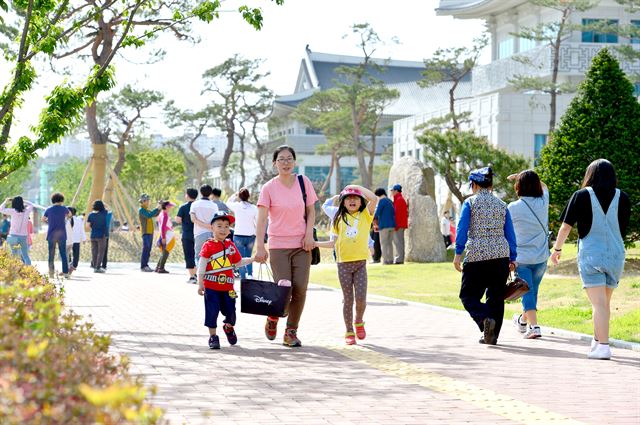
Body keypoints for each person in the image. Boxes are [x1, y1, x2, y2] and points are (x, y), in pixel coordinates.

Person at [551, 159, 631, 360]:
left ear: (590, 175)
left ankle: (603, 346)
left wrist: (557, 249)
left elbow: (566, 227)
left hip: (591, 255)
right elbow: (622, 228)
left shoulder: (580, 195)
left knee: (599, 304)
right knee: (604, 303)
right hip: (615, 256)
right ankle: (597, 341)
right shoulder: (624, 197)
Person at [255, 145, 318, 348]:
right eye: (281, 159)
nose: (285, 163)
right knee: (284, 288)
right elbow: (262, 219)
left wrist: (309, 235)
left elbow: (311, 211)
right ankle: (273, 317)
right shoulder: (268, 188)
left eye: (289, 159)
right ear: (275, 163)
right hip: (278, 246)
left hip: (302, 245)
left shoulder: (303, 182)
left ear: (295, 161)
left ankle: (291, 332)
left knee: (300, 289)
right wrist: (260, 247)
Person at [454, 167, 517, 345]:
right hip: (500, 255)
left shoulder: (470, 203)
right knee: (496, 297)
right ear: (490, 184)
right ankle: (492, 335)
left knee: (467, 295)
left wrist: (458, 254)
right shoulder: (502, 205)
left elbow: (462, 229)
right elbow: (510, 233)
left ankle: (484, 321)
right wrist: (513, 257)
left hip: (476, 255)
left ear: (473, 184)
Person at [315, 185, 378, 345]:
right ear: (342, 202)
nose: (352, 200)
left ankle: (359, 321)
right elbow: (334, 243)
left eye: (355, 198)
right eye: (348, 198)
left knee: (361, 299)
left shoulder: (365, 215)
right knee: (348, 299)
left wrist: (355, 187)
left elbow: (374, 198)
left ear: (360, 202)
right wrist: (315, 243)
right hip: (343, 264)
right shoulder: (338, 219)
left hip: (360, 264)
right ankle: (349, 331)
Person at [197, 212, 253, 350]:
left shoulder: (230, 245)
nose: (223, 229)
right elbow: (202, 265)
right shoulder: (208, 245)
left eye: (226, 226)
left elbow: (239, 262)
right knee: (212, 311)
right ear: (212, 228)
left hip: (228, 288)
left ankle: (228, 327)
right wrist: (200, 283)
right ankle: (213, 337)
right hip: (211, 287)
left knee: (231, 311)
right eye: (219, 226)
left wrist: (253, 259)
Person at [507, 170, 550, 339]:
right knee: (531, 291)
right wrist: (523, 176)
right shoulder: (544, 200)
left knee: (528, 292)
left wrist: (518, 177)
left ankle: (534, 327)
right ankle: (522, 321)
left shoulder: (513, 208)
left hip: (522, 258)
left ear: (518, 187)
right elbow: (544, 186)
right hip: (541, 257)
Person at [227, 188, 258, 279]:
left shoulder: (236, 206)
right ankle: (250, 274)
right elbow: (257, 222)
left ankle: (243, 276)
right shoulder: (254, 208)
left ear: (239, 196)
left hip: (239, 234)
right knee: (248, 255)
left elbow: (228, 202)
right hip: (251, 235)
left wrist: (234, 195)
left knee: (239, 257)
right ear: (249, 196)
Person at [43, 193, 71, 278]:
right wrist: (65, 218)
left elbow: (43, 219)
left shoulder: (48, 209)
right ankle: (66, 273)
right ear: (61, 200)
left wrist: (49, 222)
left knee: (51, 254)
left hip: (51, 234)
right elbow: (70, 215)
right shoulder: (64, 208)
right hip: (62, 235)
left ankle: (51, 273)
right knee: (63, 254)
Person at [0, 196, 35, 265]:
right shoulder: (26, 211)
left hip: (13, 236)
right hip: (23, 236)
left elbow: (1, 209)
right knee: (25, 255)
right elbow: (31, 205)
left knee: (14, 254)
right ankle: (28, 270)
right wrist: (23, 200)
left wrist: (6, 201)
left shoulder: (12, 211)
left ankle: (14, 271)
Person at [190, 184, 219, 266]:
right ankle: (208, 276)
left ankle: (200, 276)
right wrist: (209, 226)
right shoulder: (214, 205)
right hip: (211, 233)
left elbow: (193, 219)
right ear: (211, 193)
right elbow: (216, 219)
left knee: (198, 256)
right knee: (211, 257)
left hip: (199, 233)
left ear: (200, 192)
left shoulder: (194, 204)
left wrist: (204, 225)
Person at [176, 188, 198, 283]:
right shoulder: (198, 206)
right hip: (198, 234)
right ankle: (197, 273)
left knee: (188, 255)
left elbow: (178, 220)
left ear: (187, 195)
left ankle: (192, 276)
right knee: (197, 255)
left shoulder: (183, 207)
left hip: (187, 235)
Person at [373, 188, 395, 265]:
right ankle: (391, 260)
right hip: (392, 225)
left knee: (384, 244)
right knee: (390, 244)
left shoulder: (382, 201)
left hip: (384, 225)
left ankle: (385, 261)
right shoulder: (390, 201)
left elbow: (377, 213)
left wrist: (373, 219)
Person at [138, 194, 160, 272]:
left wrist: (159, 208)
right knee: (146, 249)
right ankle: (143, 266)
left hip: (150, 232)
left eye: (148, 200)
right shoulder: (141, 210)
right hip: (145, 232)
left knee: (148, 249)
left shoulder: (147, 209)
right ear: (143, 201)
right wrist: (157, 208)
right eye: (146, 200)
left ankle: (146, 265)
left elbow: (155, 214)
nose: (148, 202)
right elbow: (149, 215)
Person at [87, 200, 108, 273]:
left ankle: (95, 266)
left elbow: (88, 225)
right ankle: (98, 267)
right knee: (101, 252)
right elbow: (107, 207)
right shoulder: (104, 213)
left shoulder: (90, 215)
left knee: (94, 251)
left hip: (93, 235)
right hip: (101, 235)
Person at [155, 200, 176, 274]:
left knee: (164, 251)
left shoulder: (162, 213)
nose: (170, 208)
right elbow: (163, 227)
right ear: (166, 207)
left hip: (165, 234)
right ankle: (161, 268)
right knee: (166, 251)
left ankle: (158, 267)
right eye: (170, 206)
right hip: (167, 235)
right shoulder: (165, 215)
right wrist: (163, 237)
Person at [389, 184, 408, 264]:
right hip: (399, 224)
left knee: (399, 242)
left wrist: (396, 225)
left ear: (396, 191)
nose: (392, 192)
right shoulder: (398, 199)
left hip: (399, 225)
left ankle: (399, 259)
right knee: (398, 242)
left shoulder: (399, 200)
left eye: (392, 190)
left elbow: (398, 214)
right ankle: (398, 258)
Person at [68, 207, 87, 272]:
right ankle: (73, 265)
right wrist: (84, 239)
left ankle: (69, 265)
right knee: (76, 254)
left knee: (68, 253)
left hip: (69, 240)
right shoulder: (79, 220)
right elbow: (82, 230)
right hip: (76, 240)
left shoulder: (67, 220)